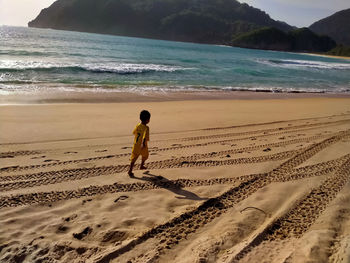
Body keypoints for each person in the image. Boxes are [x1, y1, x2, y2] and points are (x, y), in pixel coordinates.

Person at [128, 110, 151, 177]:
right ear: (147, 120)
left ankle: (130, 170)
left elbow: (134, 132)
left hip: (136, 144)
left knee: (134, 157)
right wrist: (143, 144)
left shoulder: (138, 125)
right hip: (142, 145)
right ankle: (141, 165)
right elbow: (145, 137)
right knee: (145, 155)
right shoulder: (146, 128)